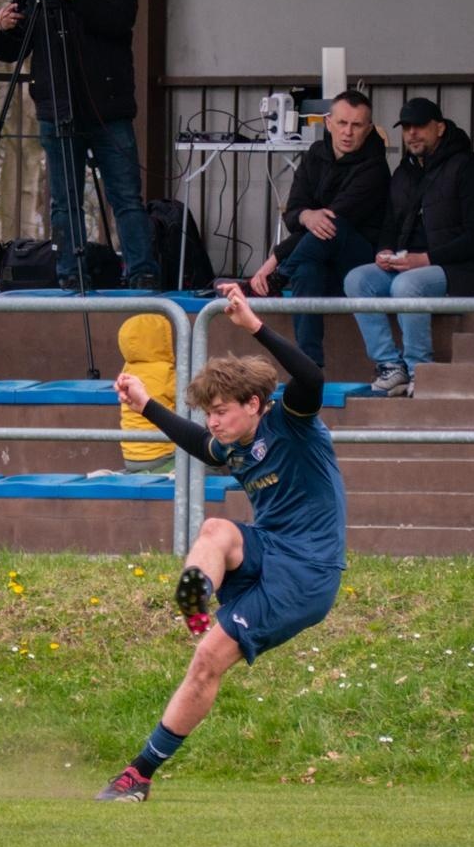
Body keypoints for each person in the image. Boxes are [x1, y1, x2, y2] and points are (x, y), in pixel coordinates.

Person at [97, 283, 346, 802]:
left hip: (307, 575)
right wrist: (145, 404)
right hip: (271, 549)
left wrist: (253, 325)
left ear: (254, 404)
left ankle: (138, 774)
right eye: (207, 412)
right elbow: (196, 442)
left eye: (220, 411)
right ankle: (196, 595)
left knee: (208, 659)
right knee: (215, 528)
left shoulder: (292, 423)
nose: (212, 422)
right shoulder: (234, 444)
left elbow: (312, 376)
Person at [0, 0, 160, 291]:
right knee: (64, 201)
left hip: (108, 108)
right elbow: (14, 47)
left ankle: (142, 273)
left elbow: (121, 18)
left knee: (126, 197)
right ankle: (71, 274)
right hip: (56, 108)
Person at [343, 98, 474, 397]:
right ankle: (391, 366)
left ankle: (419, 371)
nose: (412, 133)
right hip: (410, 263)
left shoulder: (468, 166)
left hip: (460, 269)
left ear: (439, 127)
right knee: (357, 279)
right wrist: (385, 251)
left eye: (420, 126)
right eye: (407, 127)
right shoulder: (404, 172)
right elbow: (389, 223)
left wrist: (426, 259)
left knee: (406, 286)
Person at [249, 90, 390, 367]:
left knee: (332, 226)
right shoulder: (315, 154)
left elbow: (332, 221)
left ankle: (279, 278)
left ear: (369, 129)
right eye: (342, 123)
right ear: (328, 123)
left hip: (360, 262)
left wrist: (274, 262)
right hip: (318, 259)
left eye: (357, 125)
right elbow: (293, 214)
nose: (348, 132)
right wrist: (306, 216)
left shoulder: (375, 168)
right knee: (307, 270)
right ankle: (309, 366)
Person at [116, 312, 175, 473]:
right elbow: (190, 399)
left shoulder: (127, 370)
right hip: (161, 456)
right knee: (205, 466)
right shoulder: (166, 373)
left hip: (130, 456)